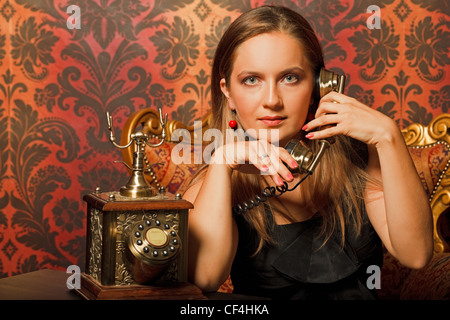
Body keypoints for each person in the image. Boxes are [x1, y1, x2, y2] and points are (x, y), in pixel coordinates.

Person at [183, 5, 433, 299]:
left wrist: (389, 137)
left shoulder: (361, 159)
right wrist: (223, 163)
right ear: (228, 91)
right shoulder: (213, 183)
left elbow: (416, 255)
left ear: (318, 85)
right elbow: (205, 279)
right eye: (252, 80)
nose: (272, 100)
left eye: (290, 78)